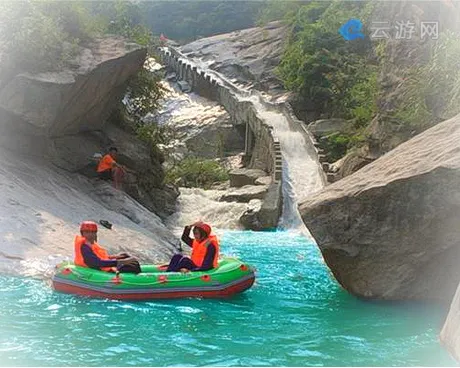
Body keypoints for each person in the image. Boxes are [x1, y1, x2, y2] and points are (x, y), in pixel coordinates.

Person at [74, 221, 140, 273]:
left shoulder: (90, 244)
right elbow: (96, 263)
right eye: (87, 232)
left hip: (100, 266)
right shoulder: (84, 247)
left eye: (93, 232)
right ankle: (140, 282)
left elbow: (98, 257)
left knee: (126, 256)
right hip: (99, 269)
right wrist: (122, 261)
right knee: (134, 265)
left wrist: (114, 257)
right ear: (82, 233)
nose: (90, 234)